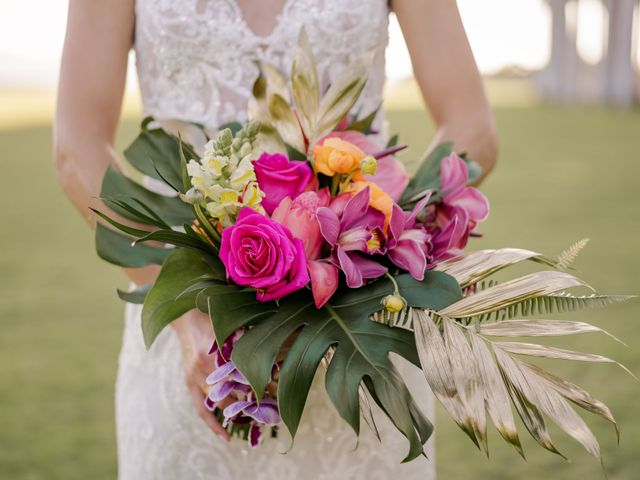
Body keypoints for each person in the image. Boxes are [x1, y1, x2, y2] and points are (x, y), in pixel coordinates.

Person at [55, 1, 497, 478]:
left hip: (358, 323)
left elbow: (472, 129)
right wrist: (186, 315)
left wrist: (375, 249)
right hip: (195, 335)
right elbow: (76, 150)